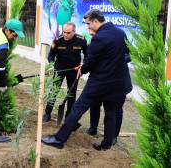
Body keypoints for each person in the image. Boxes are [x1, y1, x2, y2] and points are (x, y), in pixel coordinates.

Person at [41, 9, 128, 150]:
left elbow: (90, 61)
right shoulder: (120, 33)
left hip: (99, 82)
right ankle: (106, 145)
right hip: (116, 82)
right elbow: (127, 54)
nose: (88, 28)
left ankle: (59, 139)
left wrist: (83, 68)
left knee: (77, 108)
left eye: (88, 24)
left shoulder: (99, 37)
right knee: (110, 112)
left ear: (95, 21)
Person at [84, 29, 133, 146]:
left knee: (116, 109)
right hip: (100, 82)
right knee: (94, 105)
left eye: (93, 34)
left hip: (119, 82)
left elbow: (132, 53)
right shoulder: (93, 45)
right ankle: (93, 128)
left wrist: (120, 61)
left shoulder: (115, 41)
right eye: (90, 35)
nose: (92, 37)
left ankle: (113, 136)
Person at [43, 21, 87, 123]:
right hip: (60, 69)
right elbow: (50, 55)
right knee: (54, 90)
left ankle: (68, 116)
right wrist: (51, 65)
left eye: (68, 33)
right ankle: (47, 113)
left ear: (74, 31)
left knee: (71, 93)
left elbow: (87, 54)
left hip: (74, 70)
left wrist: (84, 65)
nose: (65, 35)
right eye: (64, 32)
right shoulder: (58, 40)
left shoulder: (81, 40)